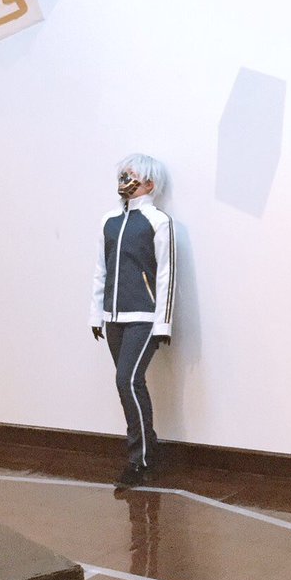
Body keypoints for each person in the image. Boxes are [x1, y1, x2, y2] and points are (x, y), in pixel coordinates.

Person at [90, 153, 176, 489]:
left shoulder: (158, 221)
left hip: (144, 317)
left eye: (131, 176)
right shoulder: (108, 221)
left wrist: (163, 323)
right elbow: (101, 270)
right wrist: (96, 314)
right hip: (113, 317)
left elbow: (166, 273)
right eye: (122, 175)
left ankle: (140, 460)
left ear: (149, 184)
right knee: (130, 384)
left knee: (127, 381)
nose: (124, 181)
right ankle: (148, 449)